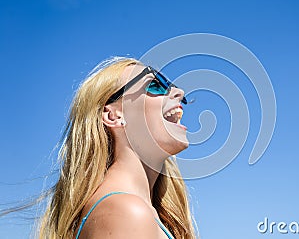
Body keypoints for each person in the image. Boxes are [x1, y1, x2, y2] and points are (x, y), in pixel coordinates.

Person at [37, 57, 198, 238]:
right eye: (154, 84)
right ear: (113, 116)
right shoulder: (126, 212)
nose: (178, 92)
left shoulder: (136, 210)